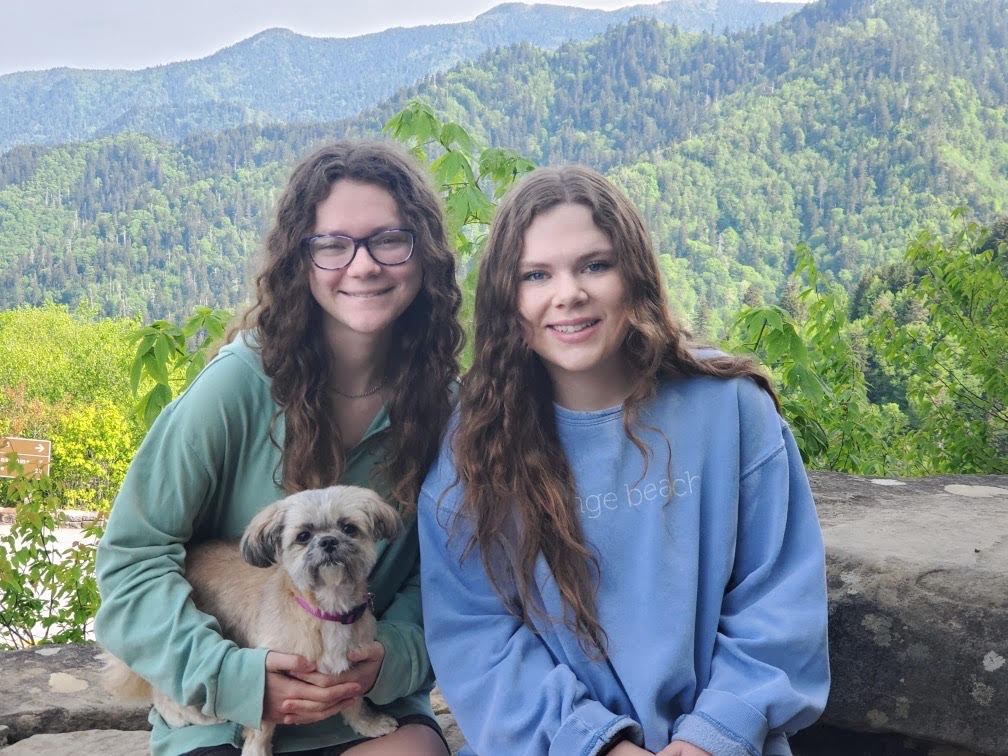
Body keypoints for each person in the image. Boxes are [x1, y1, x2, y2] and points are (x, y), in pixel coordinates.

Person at [418, 165, 830, 756]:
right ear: (507, 298)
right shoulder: (472, 449)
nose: (569, 294)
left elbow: (780, 605)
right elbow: (476, 639)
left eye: (594, 264)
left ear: (633, 273)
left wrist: (710, 738)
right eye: (537, 274)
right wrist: (597, 745)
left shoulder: (730, 411)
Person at [96, 140, 462, 756]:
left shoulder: (444, 407)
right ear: (301, 260)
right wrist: (233, 679)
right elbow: (131, 562)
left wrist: (387, 661)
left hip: (367, 704)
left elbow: (452, 581)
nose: (363, 264)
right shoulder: (238, 386)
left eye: (389, 239)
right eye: (333, 244)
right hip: (226, 713)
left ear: (423, 256)